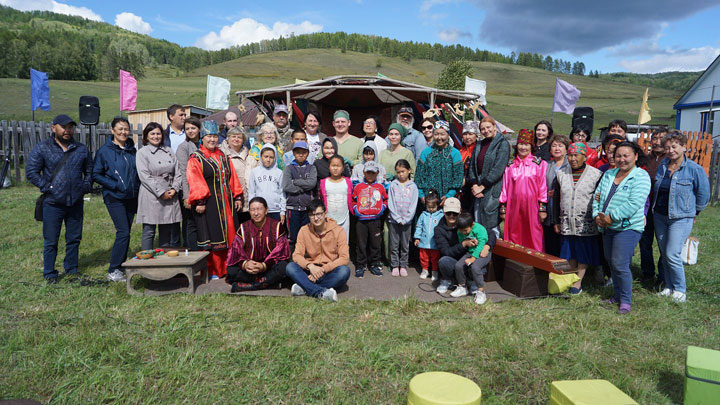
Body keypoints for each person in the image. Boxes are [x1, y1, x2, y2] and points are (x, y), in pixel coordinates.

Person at [26, 114, 92, 284]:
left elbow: (89, 171)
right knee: (51, 240)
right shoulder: (43, 148)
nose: (67, 130)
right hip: (53, 202)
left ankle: (71, 269)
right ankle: (50, 273)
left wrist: (84, 187)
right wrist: (47, 187)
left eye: (70, 127)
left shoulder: (81, 149)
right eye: (63, 127)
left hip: (75, 202)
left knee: (74, 238)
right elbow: (31, 171)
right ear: (53, 128)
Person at [592, 141, 651, 314]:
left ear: (636, 156)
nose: (622, 159)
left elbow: (634, 203)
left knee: (620, 263)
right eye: (618, 156)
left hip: (627, 227)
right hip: (606, 226)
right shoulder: (609, 174)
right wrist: (596, 215)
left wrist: (612, 217)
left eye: (626, 155)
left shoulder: (641, 176)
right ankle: (616, 296)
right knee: (611, 261)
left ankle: (625, 301)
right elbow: (597, 197)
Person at [653, 131, 710, 303]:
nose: (670, 150)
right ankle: (669, 286)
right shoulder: (662, 165)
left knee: (672, 253)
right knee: (664, 253)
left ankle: (680, 289)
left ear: (684, 147)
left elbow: (703, 195)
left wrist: (694, 212)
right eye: (667, 147)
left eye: (674, 146)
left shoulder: (694, 169)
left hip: (681, 218)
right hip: (660, 216)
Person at [187, 120, 244, 279]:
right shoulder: (196, 158)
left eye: (215, 136)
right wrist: (200, 201)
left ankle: (230, 267)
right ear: (202, 138)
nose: (212, 140)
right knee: (212, 236)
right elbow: (195, 179)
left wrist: (237, 196)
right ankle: (214, 270)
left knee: (231, 234)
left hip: (227, 203)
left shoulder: (223, 156)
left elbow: (232, 178)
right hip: (209, 204)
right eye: (209, 137)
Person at [92, 117, 140, 282]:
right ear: (112, 130)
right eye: (120, 129)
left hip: (131, 197)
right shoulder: (104, 151)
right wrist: (114, 184)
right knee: (123, 232)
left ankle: (121, 266)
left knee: (126, 232)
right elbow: (96, 173)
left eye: (126, 129)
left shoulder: (132, 150)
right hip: (114, 196)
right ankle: (113, 270)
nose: (123, 132)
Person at [552, 142, 603, 295]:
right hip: (567, 220)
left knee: (583, 252)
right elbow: (556, 198)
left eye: (576, 155)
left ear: (585, 157)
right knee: (569, 252)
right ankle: (569, 279)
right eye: (570, 155)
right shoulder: (561, 173)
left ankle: (577, 282)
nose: (573, 159)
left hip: (585, 222)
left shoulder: (595, 174)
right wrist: (556, 220)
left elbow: (599, 198)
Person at [433, 198, 498, 305]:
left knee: (475, 266)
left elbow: (490, 234)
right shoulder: (439, 230)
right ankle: (451, 281)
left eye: (455, 213)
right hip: (456, 259)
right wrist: (464, 244)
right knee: (444, 261)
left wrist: (487, 246)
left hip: (473, 256)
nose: (451, 216)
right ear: (444, 212)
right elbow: (446, 251)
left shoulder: (468, 222)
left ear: (460, 212)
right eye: (448, 213)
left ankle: (474, 284)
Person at [286, 200, 351, 302]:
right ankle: (321, 293)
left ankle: (305, 287)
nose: (316, 218)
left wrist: (323, 269)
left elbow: (345, 258)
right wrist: (310, 266)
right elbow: (297, 255)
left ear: (325, 213)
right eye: (312, 215)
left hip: (329, 270)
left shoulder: (339, 231)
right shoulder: (304, 230)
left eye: (319, 214)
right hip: (310, 270)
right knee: (290, 267)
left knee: (344, 271)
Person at [226, 197, 290, 292]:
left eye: (259, 209)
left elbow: (281, 252)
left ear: (266, 210)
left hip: (269, 268)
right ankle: (268, 283)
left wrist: (264, 265)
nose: (256, 213)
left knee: (284, 267)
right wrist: (245, 264)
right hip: (250, 269)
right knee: (231, 270)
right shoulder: (243, 227)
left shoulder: (277, 226)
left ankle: (250, 286)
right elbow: (235, 252)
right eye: (252, 210)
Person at [136, 122, 182, 251]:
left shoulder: (169, 151)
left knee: (166, 228)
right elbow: (144, 176)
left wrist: (174, 189)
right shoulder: (142, 153)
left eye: (158, 133)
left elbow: (178, 172)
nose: (156, 136)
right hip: (151, 194)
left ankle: (163, 261)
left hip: (170, 192)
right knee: (149, 230)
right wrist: (161, 192)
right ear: (146, 136)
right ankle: (146, 261)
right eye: (152, 134)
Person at [499, 129, 548, 251]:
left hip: (532, 206)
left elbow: (543, 187)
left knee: (533, 232)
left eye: (526, 144)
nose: (523, 147)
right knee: (514, 232)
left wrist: (542, 207)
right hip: (513, 206)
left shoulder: (539, 164)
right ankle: (515, 259)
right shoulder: (510, 165)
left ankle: (535, 260)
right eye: (521, 144)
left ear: (531, 146)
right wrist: (503, 208)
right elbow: (504, 187)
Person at [467, 116, 511, 238]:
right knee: (478, 219)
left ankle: (493, 249)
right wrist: (475, 185)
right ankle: (480, 250)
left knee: (490, 219)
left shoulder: (502, 144)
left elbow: (498, 168)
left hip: (492, 187)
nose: (486, 131)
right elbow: (472, 166)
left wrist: (483, 186)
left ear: (495, 127)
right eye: (482, 129)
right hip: (478, 187)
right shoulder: (479, 144)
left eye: (488, 127)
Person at [640, 129, 668, 283]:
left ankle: (663, 276)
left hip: (662, 208)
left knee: (663, 242)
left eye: (661, 139)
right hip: (645, 207)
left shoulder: (670, 161)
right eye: (655, 138)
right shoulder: (644, 160)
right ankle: (647, 272)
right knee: (645, 242)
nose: (657, 142)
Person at [352, 161, 388, 278]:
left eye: (373, 173)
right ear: (363, 173)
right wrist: (355, 209)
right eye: (368, 173)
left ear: (377, 173)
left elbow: (386, 200)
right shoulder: (358, 187)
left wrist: (382, 208)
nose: (370, 175)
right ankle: (360, 265)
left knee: (375, 243)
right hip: (361, 220)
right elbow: (353, 200)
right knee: (361, 243)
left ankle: (375, 264)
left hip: (375, 220)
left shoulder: (380, 187)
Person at [415, 120, 464, 205]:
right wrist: (421, 195)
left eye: (442, 134)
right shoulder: (426, 153)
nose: (439, 137)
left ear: (448, 135)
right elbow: (419, 176)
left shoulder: (455, 153)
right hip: (428, 200)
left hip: (449, 200)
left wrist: (449, 195)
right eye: (436, 134)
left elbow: (458, 177)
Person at [282, 141, 317, 251]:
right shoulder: (289, 168)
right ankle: (292, 260)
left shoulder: (311, 168)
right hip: (292, 207)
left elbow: (312, 183)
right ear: (293, 153)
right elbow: (286, 186)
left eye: (303, 152)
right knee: (292, 237)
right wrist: (303, 186)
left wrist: (295, 181)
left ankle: (306, 259)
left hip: (307, 208)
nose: (300, 154)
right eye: (298, 152)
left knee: (308, 235)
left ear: (307, 153)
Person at [449, 211, 490, 303]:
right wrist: (468, 241)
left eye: (466, 230)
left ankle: (481, 291)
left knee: (475, 267)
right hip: (470, 252)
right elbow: (462, 240)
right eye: (461, 230)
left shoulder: (479, 229)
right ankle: (462, 287)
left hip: (482, 253)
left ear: (472, 225)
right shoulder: (460, 231)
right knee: (458, 266)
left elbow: (481, 245)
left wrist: (473, 258)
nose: (463, 232)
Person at [387, 159, 418, 277]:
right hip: (394, 221)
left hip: (407, 221)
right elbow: (391, 202)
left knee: (405, 244)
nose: (401, 174)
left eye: (403, 171)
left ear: (409, 171)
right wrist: (396, 218)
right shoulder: (393, 185)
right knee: (394, 244)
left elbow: (413, 204)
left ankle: (403, 265)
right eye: (398, 172)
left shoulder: (413, 186)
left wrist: (406, 219)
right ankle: (395, 265)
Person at [220, 126, 257, 224]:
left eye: (239, 137)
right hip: (230, 197)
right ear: (228, 138)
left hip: (247, 197)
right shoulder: (221, 154)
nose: (236, 139)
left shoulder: (249, 154)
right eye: (233, 136)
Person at [176, 116, 201, 251]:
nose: (190, 131)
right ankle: (192, 253)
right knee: (191, 224)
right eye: (187, 129)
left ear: (199, 129)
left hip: (205, 191)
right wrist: (186, 196)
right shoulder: (184, 147)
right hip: (190, 190)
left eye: (193, 128)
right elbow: (184, 173)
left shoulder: (205, 143)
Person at [544, 134, 570, 256]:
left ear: (566, 149)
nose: (557, 148)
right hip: (548, 205)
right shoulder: (546, 165)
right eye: (554, 146)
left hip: (563, 207)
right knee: (549, 238)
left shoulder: (570, 165)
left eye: (560, 146)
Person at [248, 144, 286, 224]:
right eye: (266, 156)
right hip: (259, 210)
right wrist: (251, 209)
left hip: (276, 210)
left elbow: (282, 193)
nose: (268, 160)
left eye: (271, 157)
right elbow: (251, 192)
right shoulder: (255, 172)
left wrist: (282, 211)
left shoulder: (279, 173)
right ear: (261, 156)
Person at [319, 155, 352, 239]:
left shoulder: (347, 182)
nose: (335, 168)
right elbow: (321, 199)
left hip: (344, 218)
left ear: (343, 167)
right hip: (329, 218)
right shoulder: (324, 182)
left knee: (344, 241)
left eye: (338, 166)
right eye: (333, 165)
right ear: (329, 167)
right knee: (330, 242)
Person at [414, 191, 444, 281]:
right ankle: (425, 270)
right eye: (429, 207)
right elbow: (419, 226)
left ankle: (435, 271)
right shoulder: (423, 215)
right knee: (423, 257)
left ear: (437, 205)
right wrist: (417, 238)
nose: (431, 209)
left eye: (433, 207)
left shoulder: (441, 215)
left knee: (435, 259)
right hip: (424, 242)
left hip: (435, 243)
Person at [459, 121, 479, 210]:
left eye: (470, 134)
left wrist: (466, 180)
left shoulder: (478, 150)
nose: (467, 137)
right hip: (461, 188)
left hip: (473, 187)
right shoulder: (461, 151)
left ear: (476, 135)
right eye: (465, 134)